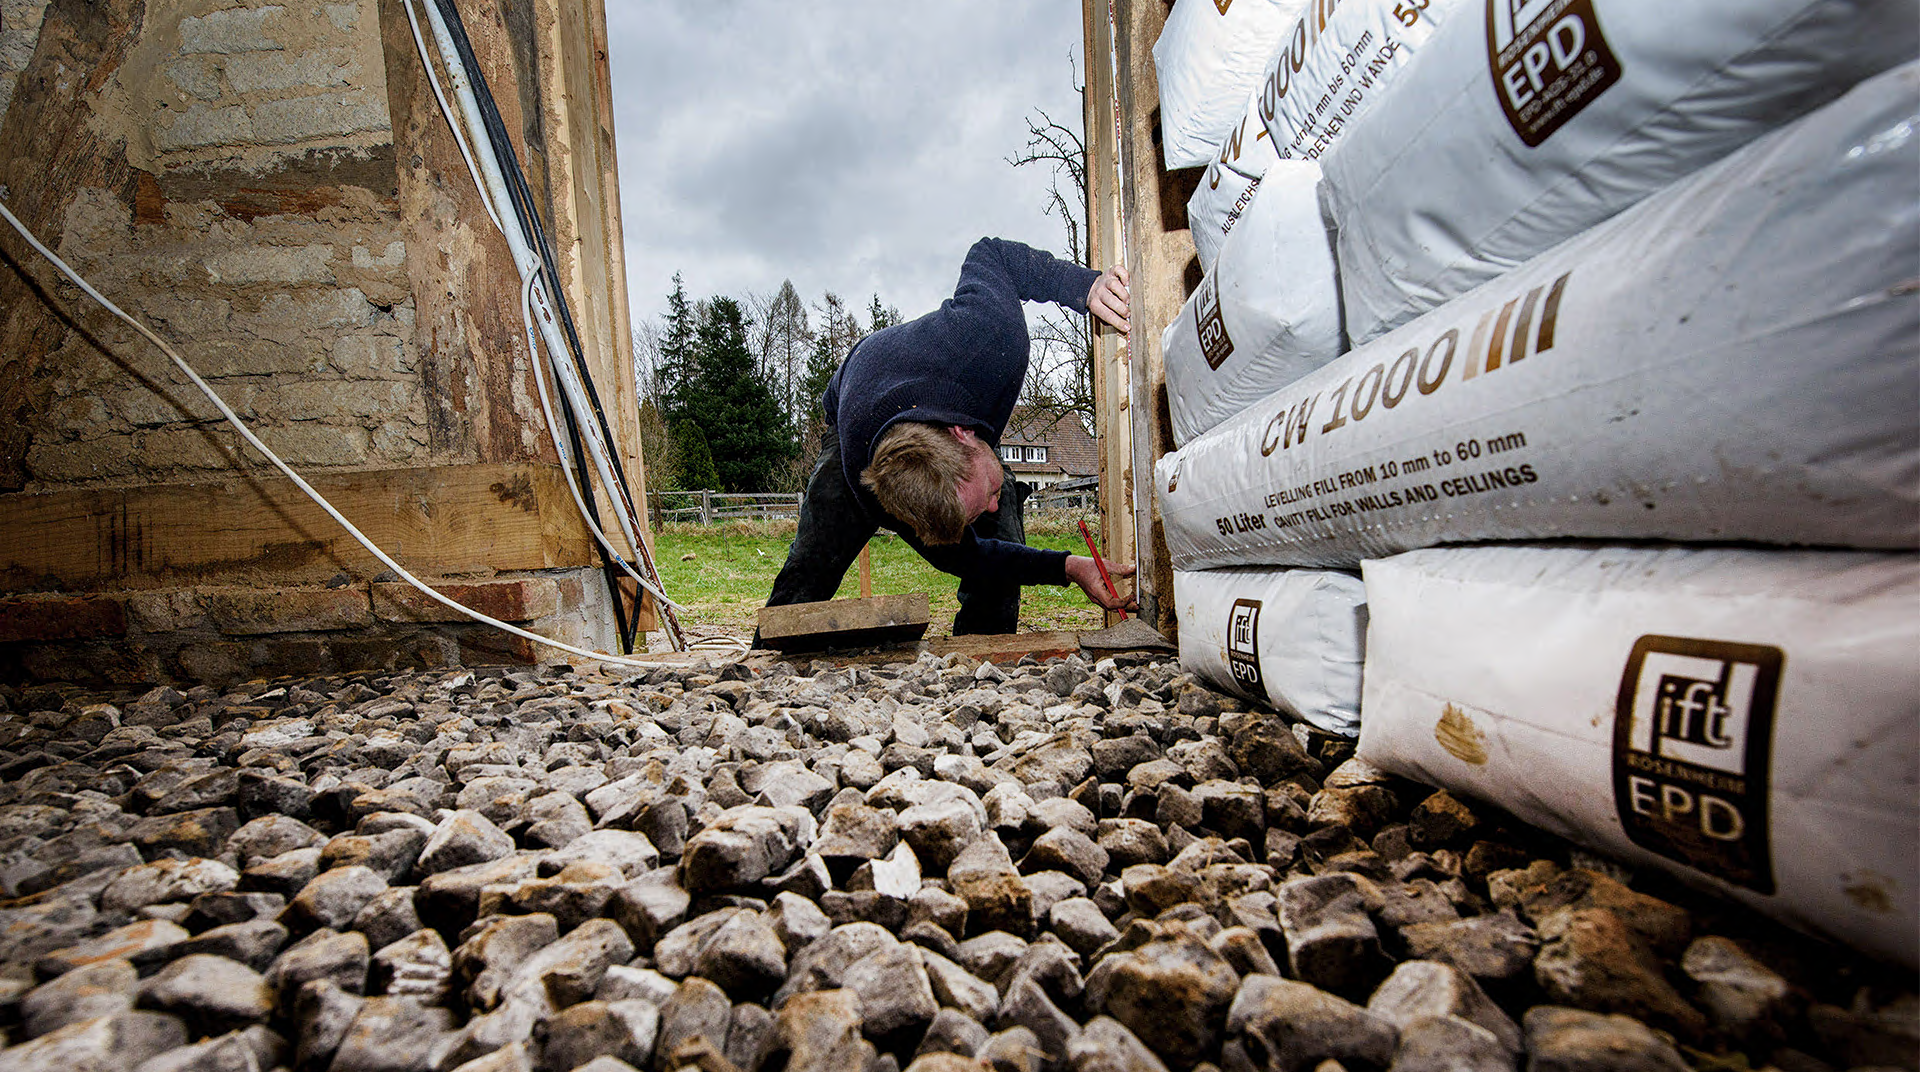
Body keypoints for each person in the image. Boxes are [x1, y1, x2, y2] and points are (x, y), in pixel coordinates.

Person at [760, 237, 1136, 638]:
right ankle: (767, 658)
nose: (991, 505)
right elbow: (969, 555)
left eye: (985, 492)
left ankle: (983, 658)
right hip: (851, 423)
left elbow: (992, 254)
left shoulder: (987, 338)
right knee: (812, 562)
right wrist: (1068, 565)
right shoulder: (874, 485)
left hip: (941, 375)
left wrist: (1084, 286)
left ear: (965, 436)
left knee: (1001, 526)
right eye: (985, 498)